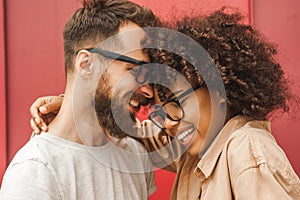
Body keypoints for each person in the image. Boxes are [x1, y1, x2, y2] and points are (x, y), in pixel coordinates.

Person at [28, 8, 300, 199]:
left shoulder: (247, 151)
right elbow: (133, 133)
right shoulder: (192, 155)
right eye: (159, 110)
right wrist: (73, 105)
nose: (168, 124)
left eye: (173, 101)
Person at [0, 0, 158, 199]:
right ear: (86, 65)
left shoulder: (135, 155)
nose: (149, 92)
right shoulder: (35, 172)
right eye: (136, 70)